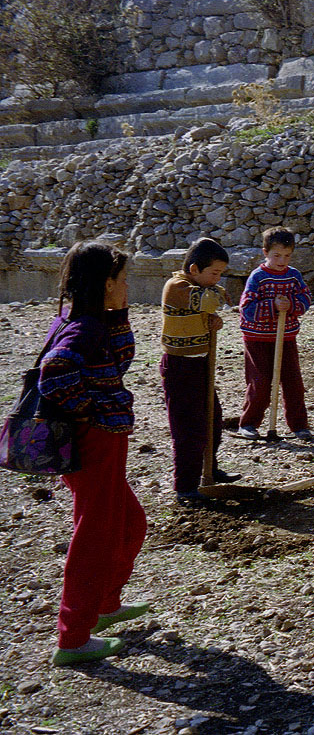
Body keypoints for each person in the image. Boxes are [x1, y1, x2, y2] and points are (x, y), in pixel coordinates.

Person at [39, 241, 149, 665]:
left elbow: (120, 361)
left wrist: (118, 312)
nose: (127, 287)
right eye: (122, 280)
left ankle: (105, 605)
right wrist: (88, 412)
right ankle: (73, 638)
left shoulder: (90, 322)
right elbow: (55, 373)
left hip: (102, 443)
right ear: (106, 284)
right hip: (94, 443)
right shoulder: (84, 329)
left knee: (129, 524)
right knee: (95, 537)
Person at [161, 237, 240, 504]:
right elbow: (212, 300)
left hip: (200, 363)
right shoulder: (176, 287)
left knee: (212, 419)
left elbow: (211, 306)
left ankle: (209, 469)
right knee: (188, 428)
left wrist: (213, 321)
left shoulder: (197, 286)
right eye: (214, 273)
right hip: (180, 366)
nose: (218, 279)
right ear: (194, 269)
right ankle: (186, 486)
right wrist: (215, 300)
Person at [231, 226, 314, 440]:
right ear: (265, 253)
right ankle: (248, 423)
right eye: (277, 255)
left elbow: (306, 299)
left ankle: (299, 425)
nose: (282, 260)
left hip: (286, 337)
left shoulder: (293, 276)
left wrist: (291, 305)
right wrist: (273, 306)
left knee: (293, 383)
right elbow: (247, 309)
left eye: (287, 255)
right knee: (260, 382)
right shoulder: (258, 277)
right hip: (257, 339)